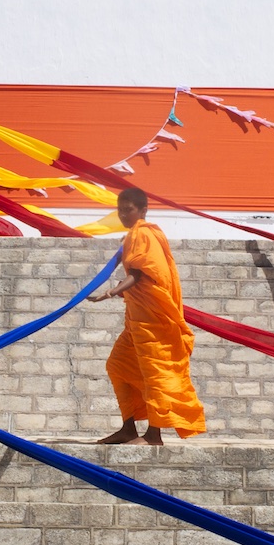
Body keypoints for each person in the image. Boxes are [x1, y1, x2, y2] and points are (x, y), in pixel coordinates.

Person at [88, 188, 206, 445]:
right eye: (120, 209)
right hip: (136, 321)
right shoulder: (132, 236)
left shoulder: (143, 232)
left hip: (154, 322)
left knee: (156, 374)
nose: (122, 214)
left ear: (142, 211)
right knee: (118, 365)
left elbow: (141, 273)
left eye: (128, 209)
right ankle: (129, 427)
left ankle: (154, 435)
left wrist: (111, 292)